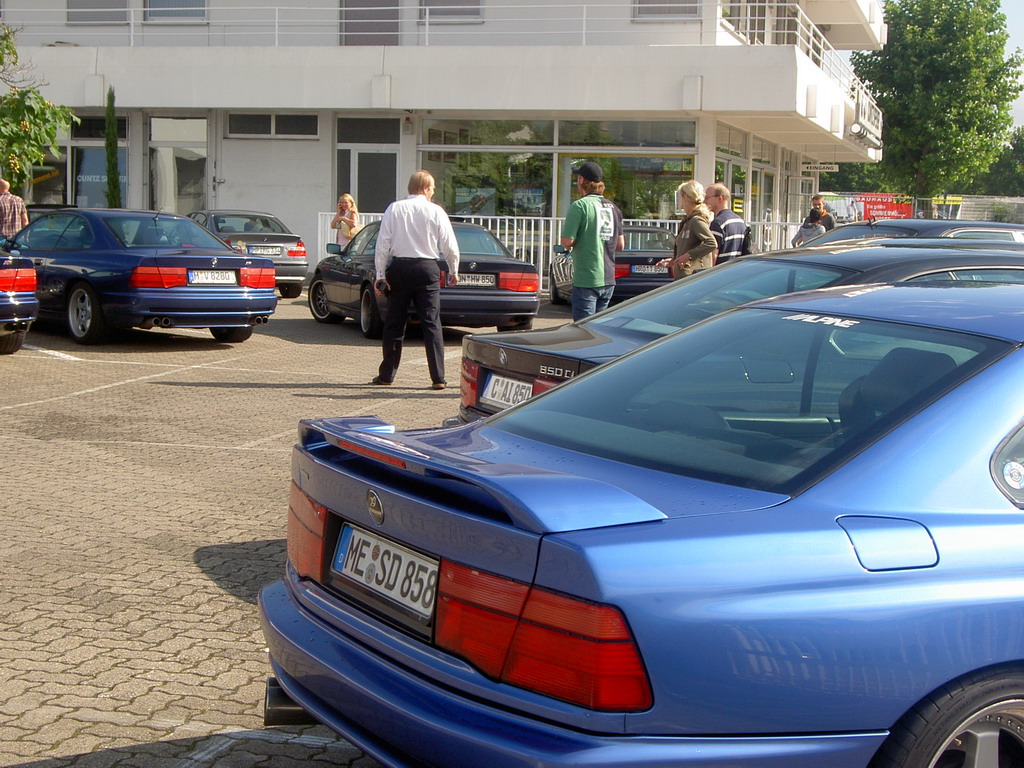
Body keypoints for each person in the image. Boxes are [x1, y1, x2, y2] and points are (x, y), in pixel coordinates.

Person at [372, 170, 459, 390]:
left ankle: (387, 375)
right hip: (427, 268)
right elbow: (449, 244)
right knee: (431, 323)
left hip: (400, 268)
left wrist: (380, 275)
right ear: (425, 188)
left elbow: (383, 243)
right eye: (432, 189)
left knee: (394, 323)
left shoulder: (394, 208)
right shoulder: (436, 211)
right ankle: (438, 377)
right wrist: (453, 269)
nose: (433, 192)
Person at [560, 161, 624, 322]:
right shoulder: (614, 208)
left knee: (583, 329)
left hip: (587, 278)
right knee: (598, 327)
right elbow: (620, 245)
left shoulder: (579, 206)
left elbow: (566, 242)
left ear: (581, 180)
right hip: (608, 278)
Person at [657, 180, 717, 279]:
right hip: (685, 277)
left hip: (693, 278)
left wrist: (688, 256)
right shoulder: (688, 221)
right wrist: (674, 260)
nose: (678, 200)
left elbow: (711, 243)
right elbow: (688, 247)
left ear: (685, 197)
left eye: (679, 196)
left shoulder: (696, 220)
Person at [704, 182, 747, 263]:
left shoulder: (717, 223)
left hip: (721, 269)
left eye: (707, 197)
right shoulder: (740, 221)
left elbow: (713, 257)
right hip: (736, 268)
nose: (704, 201)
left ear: (720, 199)